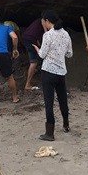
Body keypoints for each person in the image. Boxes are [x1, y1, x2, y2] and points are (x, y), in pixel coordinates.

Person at [34, 10, 73, 141]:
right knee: (63, 99)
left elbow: (42, 55)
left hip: (48, 71)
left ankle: (50, 133)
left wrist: (37, 48)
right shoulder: (66, 34)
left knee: (49, 102)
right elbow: (69, 54)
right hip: (61, 71)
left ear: (47, 21)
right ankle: (66, 124)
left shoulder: (48, 35)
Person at [21, 17, 45, 91]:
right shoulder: (43, 20)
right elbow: (46, 33)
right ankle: (28, 84)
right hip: (29, 40)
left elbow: (37, 38)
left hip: (27, 39)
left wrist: (40, 46)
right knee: (34, 62)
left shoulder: (37, 24)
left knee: (34, 59)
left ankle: (33, 71)